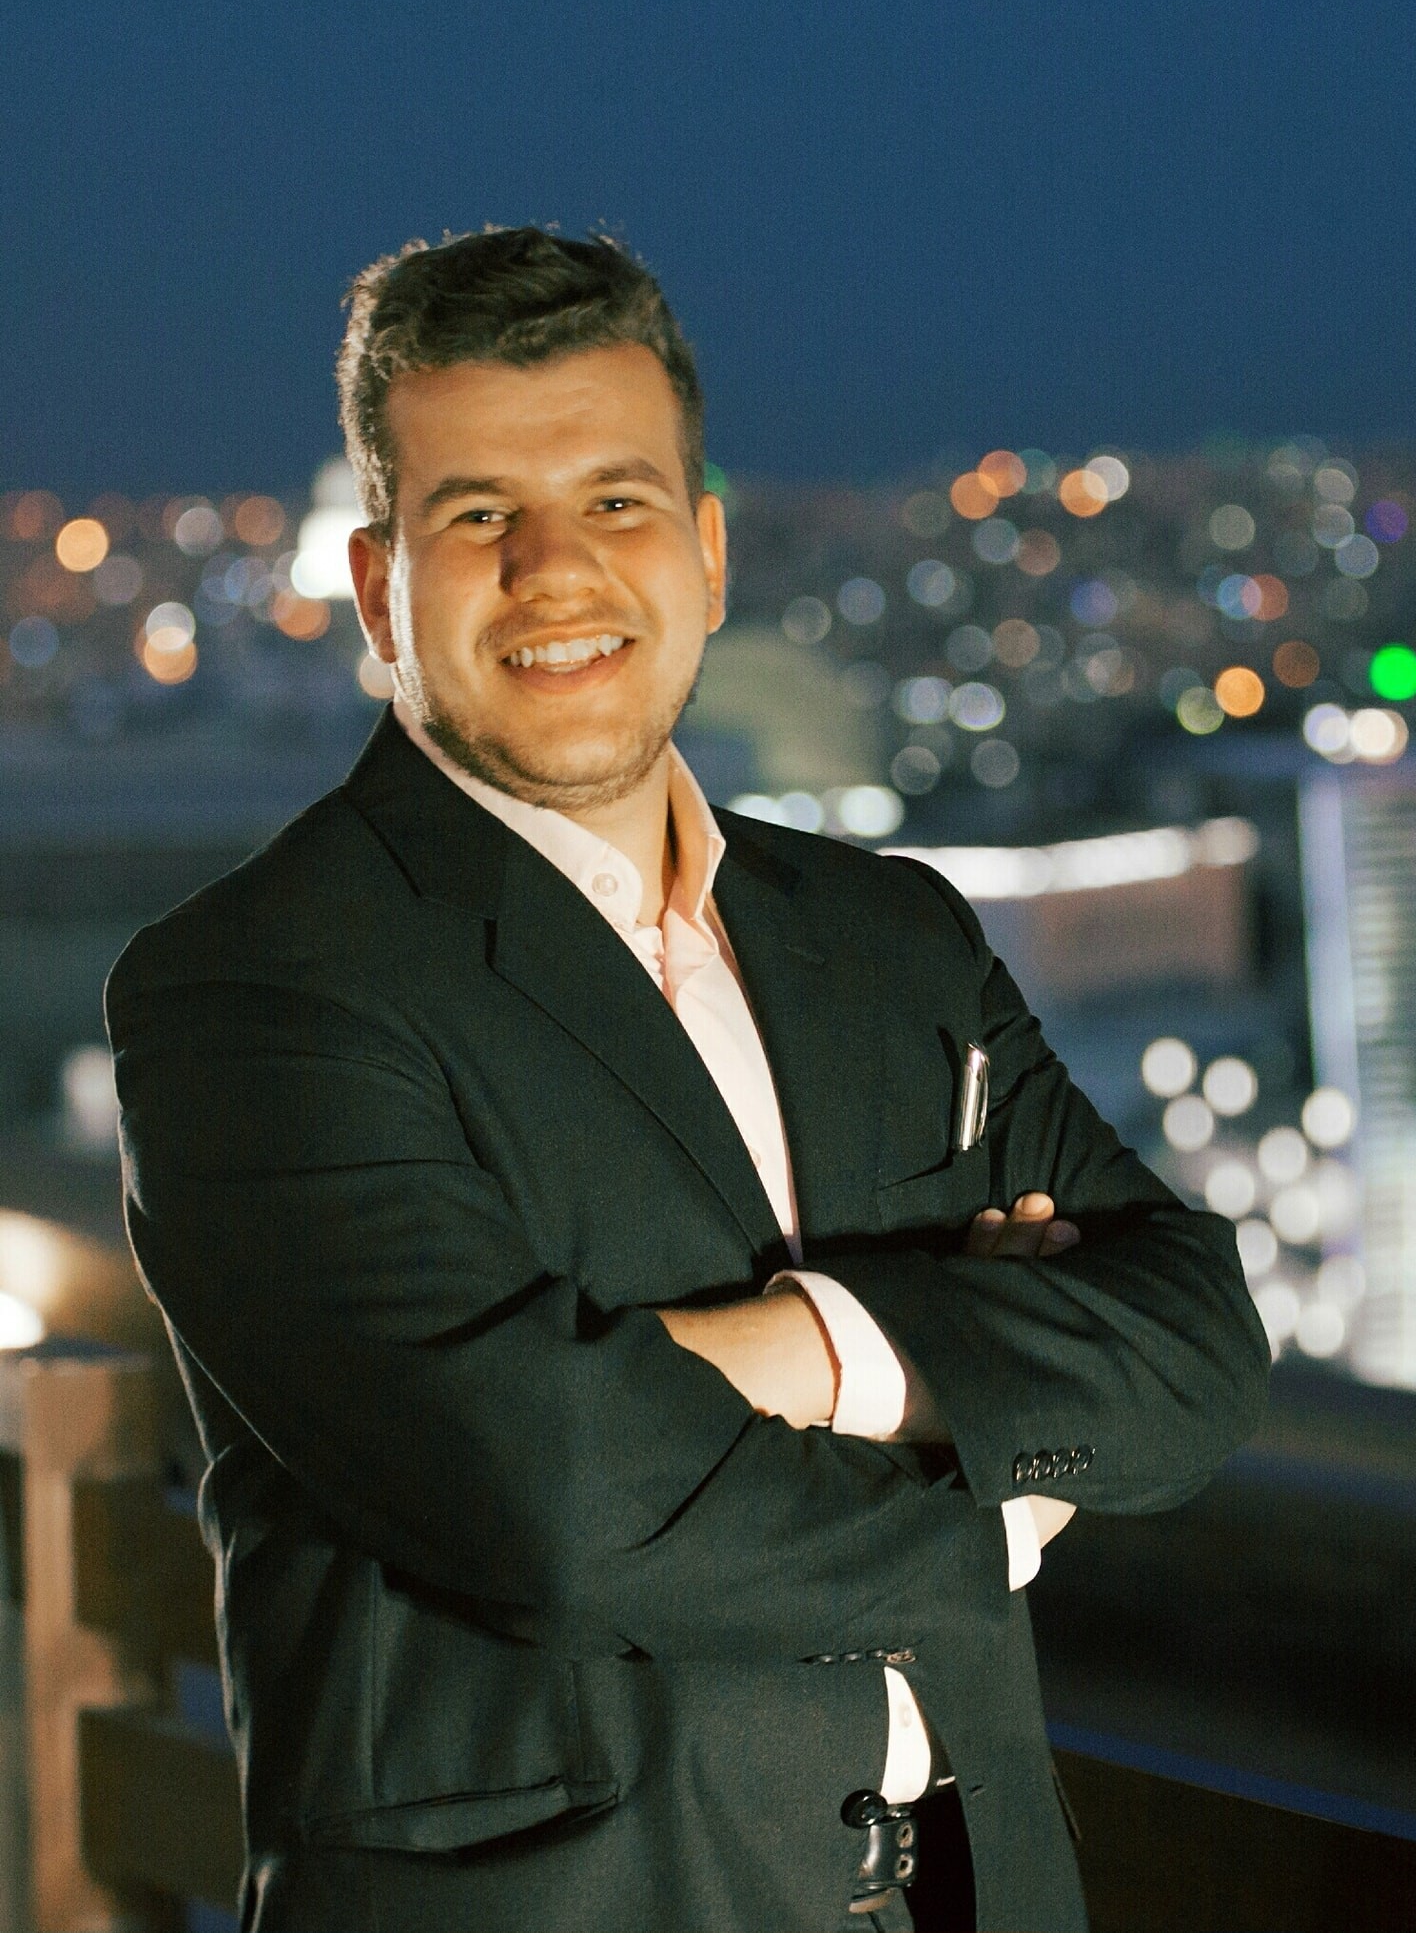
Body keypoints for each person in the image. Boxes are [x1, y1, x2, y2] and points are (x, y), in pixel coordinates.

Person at [106, 226, 1269, 1933]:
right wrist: (996, 1483)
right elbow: (554, 1500)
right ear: (378, 588)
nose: (556, 570)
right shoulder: (254, 991)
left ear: (708, 555)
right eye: (479, 515)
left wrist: (807, 1351)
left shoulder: (890, 936)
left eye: (617, 500)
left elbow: (1198, 1343)